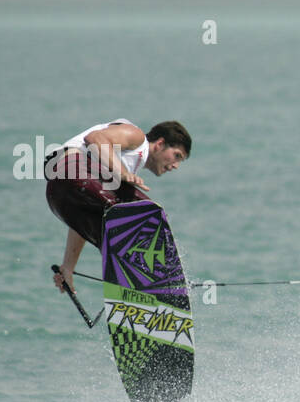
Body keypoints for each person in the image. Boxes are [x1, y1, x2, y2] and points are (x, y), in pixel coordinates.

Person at [45, 119, 191, 292]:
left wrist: (68, 267)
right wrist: (122, 173)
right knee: (147, 214)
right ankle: (157, 284)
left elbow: (81, 219)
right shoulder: (137, 137)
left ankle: (136, 295)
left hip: (59, 194)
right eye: (177, 156)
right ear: (159, 144)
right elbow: (95, 138)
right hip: (72, 168)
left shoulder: (120, 167)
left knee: (114, 242)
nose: (176, 165)